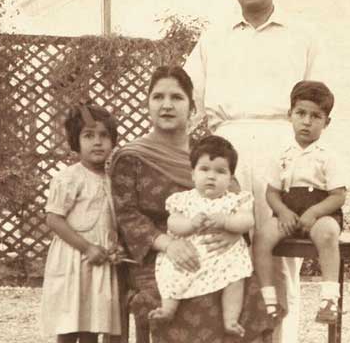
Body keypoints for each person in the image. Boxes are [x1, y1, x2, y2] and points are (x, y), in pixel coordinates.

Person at [183, 0, 321, 341]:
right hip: (227, 151)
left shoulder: (303, 36)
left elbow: (318, 103)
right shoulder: (213, 39)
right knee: (222, 250)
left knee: (278, 257)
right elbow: (190, 99)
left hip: (282, 150)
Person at [109, 66, 276, 343]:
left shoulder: (208, 155)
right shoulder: (131, 157)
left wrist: (231, 231)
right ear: (147, 104)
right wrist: (169, 244)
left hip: (215, 249)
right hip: (157, 254)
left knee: (246, 291)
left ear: (192, 107)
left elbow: (235, 198)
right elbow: (126, 215)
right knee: (181, 302)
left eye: (176, 97)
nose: (166, 105)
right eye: (158, 97)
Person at [253, 81, 346, 325]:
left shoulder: (329, 156)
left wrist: (315, 213)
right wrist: (282, 212)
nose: (307, 121)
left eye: (316, 116)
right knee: (262, 236)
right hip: (288, 214)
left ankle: (329, 300)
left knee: (327, 234)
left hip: (321, 212)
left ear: (327, 122)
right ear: (290, 115)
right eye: (301, 113)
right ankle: (268, 299)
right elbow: (271, 192)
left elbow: (338, 195)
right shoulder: (281, 154)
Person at [150, 135, 255, 337]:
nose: (211, 176)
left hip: (224, 256)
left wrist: (226, 221)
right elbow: (172, 222)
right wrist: (189, 224)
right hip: (189, 254)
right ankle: (168, 309)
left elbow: (247, 221)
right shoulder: (183, 200)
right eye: (204, 169)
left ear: (231, 178)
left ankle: (230, 319)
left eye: (220, 171)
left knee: (236, 278)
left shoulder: (235, 201)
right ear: (192, 174)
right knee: (172, 271)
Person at [40, 102, 122, 343]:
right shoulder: (69, 178)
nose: (97, 142)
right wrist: (86, 247)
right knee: (70, 321)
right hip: (74, 259)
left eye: (104, 136)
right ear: (76, 141)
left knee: (92, 321)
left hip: (100, 259)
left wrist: (114, 247)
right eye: (88, 136)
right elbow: (53, 218)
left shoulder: (113, 179)